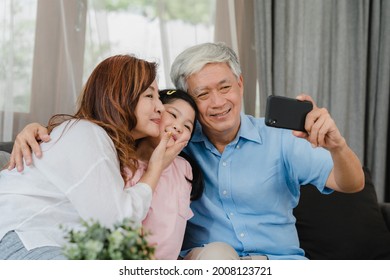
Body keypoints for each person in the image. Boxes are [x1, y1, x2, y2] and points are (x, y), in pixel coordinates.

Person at [8, 42, 365, 260]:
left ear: (240, 84)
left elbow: (351, 182)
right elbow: (105, 137)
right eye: (202, 95)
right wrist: (39, 131)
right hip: (207, 262)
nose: (217, 102)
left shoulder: (282, 139)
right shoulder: (175, 147)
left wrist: (338, 146)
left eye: (225, 87)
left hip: (281, 263)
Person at [0, 54, 185, 259]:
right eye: (150, 96)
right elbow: (118, 225)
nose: (160, 107)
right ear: (120, 95)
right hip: (17, 239)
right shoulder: (87, 133)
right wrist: (155, 168)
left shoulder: (92, 139)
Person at [126, 89, 204, 260]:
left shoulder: (184, 169)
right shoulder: (124, 167)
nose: (178, 127)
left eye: (187, 126)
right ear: (155, 112)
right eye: (173, 115)